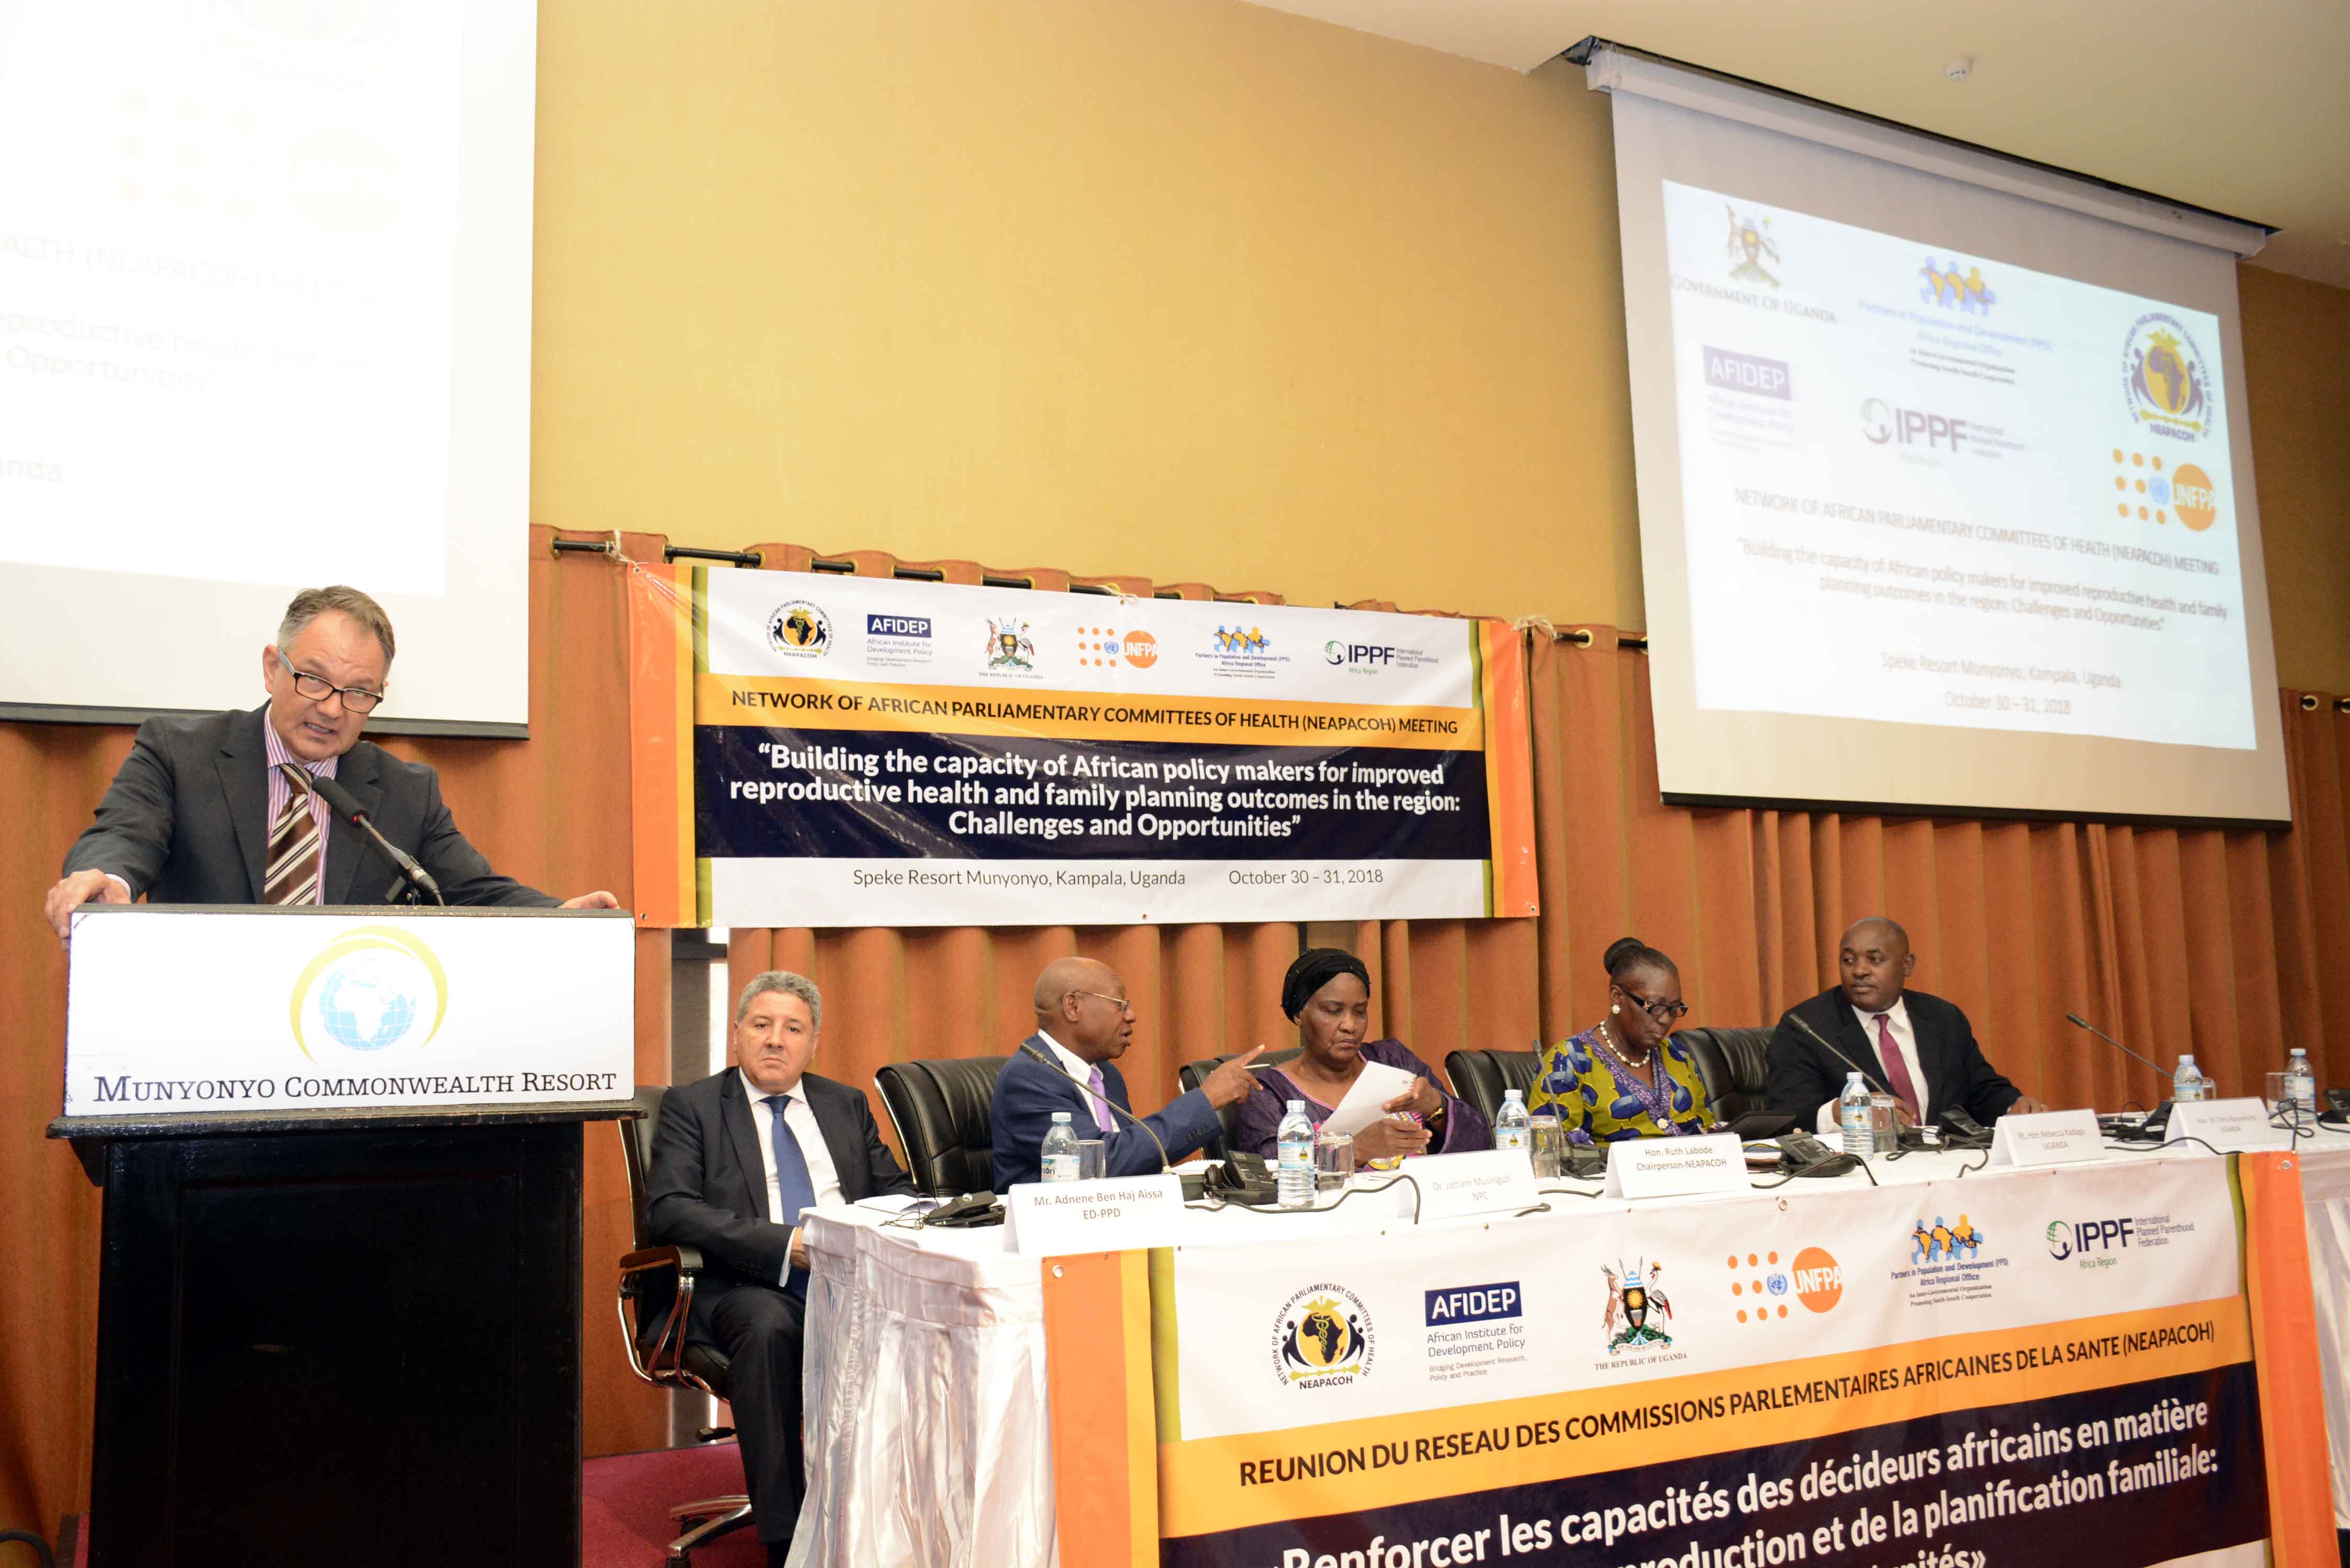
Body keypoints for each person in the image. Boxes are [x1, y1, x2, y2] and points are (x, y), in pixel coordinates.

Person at [43, 585, 616, 937]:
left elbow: (474, 892)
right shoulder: (180, 752)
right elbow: (124, 836)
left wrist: (559, 915)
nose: (332, 709)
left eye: (358, 693)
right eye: (314, 680)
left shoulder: (403, 792)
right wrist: (108, 879)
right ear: (273, 667)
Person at [646, 971, 917, 1566]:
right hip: (740, 1284)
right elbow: (670, 1210)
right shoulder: (692, 1107)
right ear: (736, 1035)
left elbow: (895, 1190)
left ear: (812, 1042)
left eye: (792, 1028)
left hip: (847, 1282)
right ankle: (785, 1539)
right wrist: (782, 1244)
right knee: (770, 1328)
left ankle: (901, 1520)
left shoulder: (843, 1104)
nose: (775, 1040)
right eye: (761, 1025)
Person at [991, 956, 1263, 1190]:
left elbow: (1135, 1161)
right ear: (1073, 1007)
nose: (1132, 1015)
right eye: (1120, 1004)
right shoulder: (1029, 1078)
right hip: (1053, 1236)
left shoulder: (1105, 1074)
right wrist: (1206, 1100)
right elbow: (1102, 1164)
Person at [1766, 916, 2047, 1133]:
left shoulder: (1943, 1019)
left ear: (1907, 966)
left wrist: (2014, 1106)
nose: (1859, 970)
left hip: (1947, 1166)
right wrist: (1841, 1113)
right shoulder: (1807, 1027)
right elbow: (1787, 1116)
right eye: (1848, 960)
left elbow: (1981, 1089)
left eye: (1875, 960)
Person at [1234, 948, 1487, 1161]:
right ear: (1299, 1014)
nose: (1350, 1025)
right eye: (1333, 1011)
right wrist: (1355, 1151)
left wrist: (1436, 1106)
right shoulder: (1267, 1093)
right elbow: (1267, 1178)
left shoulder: (1394, 1060)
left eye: (1360, 1011)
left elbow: (1483, 1148)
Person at [1530, 937, 1714, 1143]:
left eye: (1674, 1008)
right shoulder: (1568, 1062)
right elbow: (1551, 1151)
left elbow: (1706, 1131)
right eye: (1654, 1007)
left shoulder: (1678, 1055)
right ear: (1617, 997)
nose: (1665, 1020)